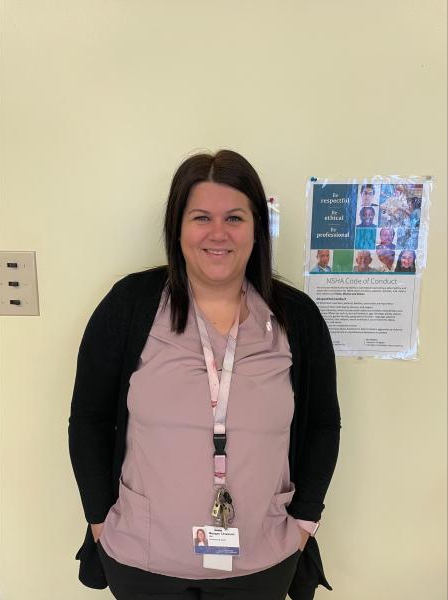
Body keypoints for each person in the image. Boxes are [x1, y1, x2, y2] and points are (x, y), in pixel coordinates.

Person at [69, 150, 340, 600]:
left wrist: (304, 525)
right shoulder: (130, 306)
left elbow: (321, 426)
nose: (218, 233)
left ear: (257, 228)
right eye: (201, 218)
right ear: (177, 228)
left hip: (261, 562)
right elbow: (90, 420)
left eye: (235, 218)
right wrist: (99, 520)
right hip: (142, 562)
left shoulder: (297, 319)